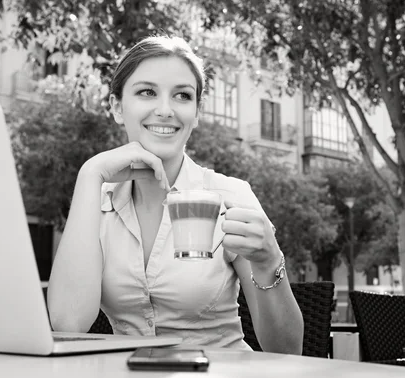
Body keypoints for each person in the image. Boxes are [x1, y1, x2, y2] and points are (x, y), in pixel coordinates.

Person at [47, 35, 304, 354]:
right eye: (146, 92)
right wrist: (89, 175)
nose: (165, 110)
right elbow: (68, 323)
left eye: (182, 96)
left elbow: (287, 350)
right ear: (116, 106)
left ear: (196, 113)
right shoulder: (97, 202)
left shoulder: (230, 195)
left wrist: (269, 261)